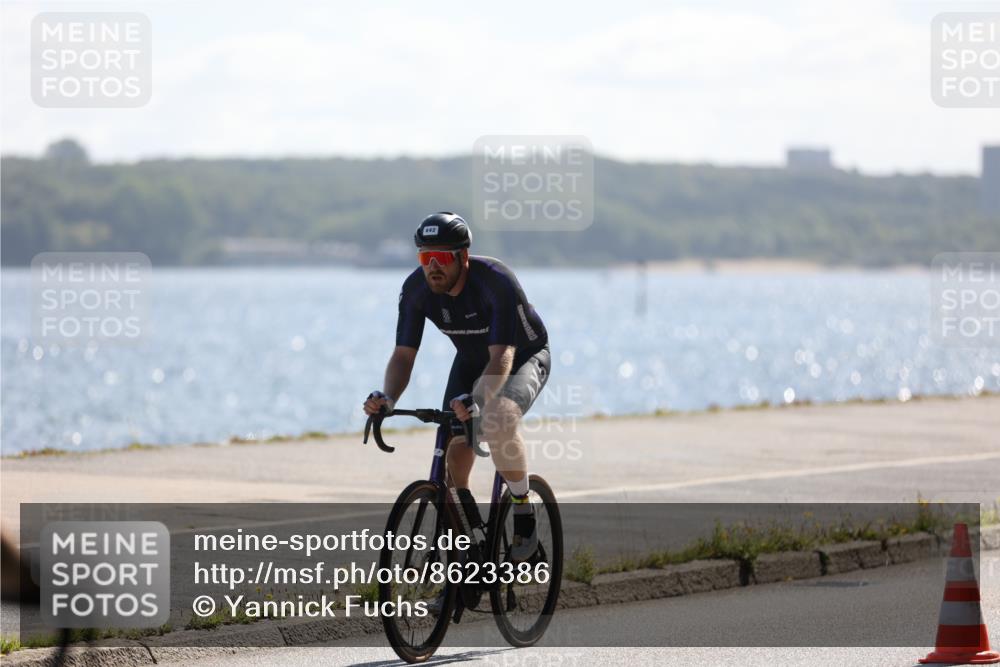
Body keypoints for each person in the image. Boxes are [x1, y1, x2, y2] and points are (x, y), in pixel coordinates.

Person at [363, 212, 550, 562]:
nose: (432, 266)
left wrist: (478, 400)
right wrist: (388, 397)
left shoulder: (496, 281)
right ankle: (469, 542)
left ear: (463, 257)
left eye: (441, 257)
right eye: (425, 257)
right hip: (471, 360)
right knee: (453, 445)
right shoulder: (416, 289)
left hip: (522, 356)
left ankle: (523, 510)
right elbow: (403, 356)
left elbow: (503, 356)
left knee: (498, 419)